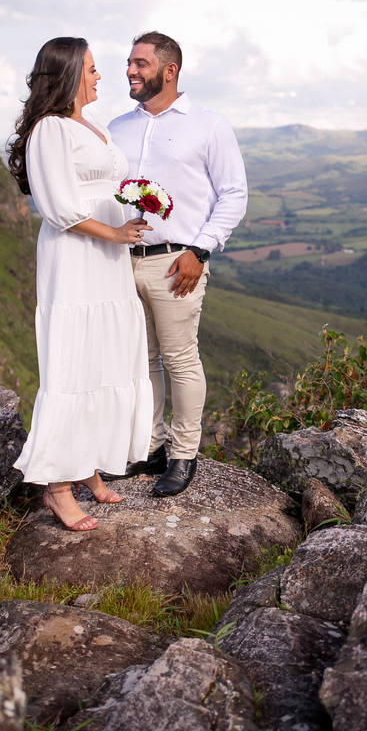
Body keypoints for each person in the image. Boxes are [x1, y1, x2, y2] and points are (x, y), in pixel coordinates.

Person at [8, 37, 154, 530]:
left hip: (108, 258)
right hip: (76, 257)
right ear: (68, 74)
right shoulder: (49, 129)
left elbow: (105, 188)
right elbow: (57, 208)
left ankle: (86, 463)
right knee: (74, 360)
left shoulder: (92, 126)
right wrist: (114, 232)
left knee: (103, 354)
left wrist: (138, 207)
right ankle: (56, 487)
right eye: (91, 68)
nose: (99, 76)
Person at [105, 32, 248, 497]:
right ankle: (149, 448)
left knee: (180, 359)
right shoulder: (116, 128)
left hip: (176, 262)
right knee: (140, 360)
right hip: (122, 260)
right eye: (129, 63)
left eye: (140, 63)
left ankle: (184, 455)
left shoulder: (208, 126)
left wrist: (199, 251)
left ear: (169, 71)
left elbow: (234, 195)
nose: (130, 71)